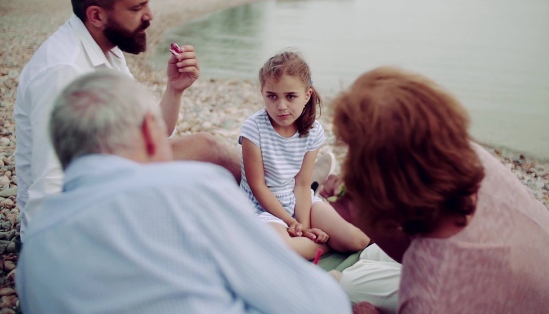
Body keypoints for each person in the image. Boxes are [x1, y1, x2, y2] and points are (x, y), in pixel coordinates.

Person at [16, 70, 352, 314]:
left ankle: (311, 181)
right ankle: (313, 183)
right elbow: (318, 304)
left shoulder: (33, 253)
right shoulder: (188, 191)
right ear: (151, 133)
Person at [14, 0, 240, 238]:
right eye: (136, 8)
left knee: (208, 155)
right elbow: (49, 187)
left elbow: (149, 135)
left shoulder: (106, 49)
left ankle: (275, 207)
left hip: (112, 177)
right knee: (207, 153)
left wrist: (174, 89)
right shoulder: (62, 71)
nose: (150, 15)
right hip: (82, 213)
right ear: (97, 15)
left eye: (148, 3)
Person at [323, 67, 549, 313]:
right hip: (520, 274)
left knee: (348, 284)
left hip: (493, 293)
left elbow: (430, 266)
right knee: (370, 256)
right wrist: (361, 218)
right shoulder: (466, 156)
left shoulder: (429, 300)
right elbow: (424, 247)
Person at [239, 50, 369, 260]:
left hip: (297, 198)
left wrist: (304, 226)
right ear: (262, 92)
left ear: (307, 95)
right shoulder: (254, 129)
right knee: (281, 248)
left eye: (291, 96)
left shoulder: (313, 131)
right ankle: (327, 246)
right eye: (272, 96)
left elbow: (301, 184)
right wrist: (292, 224)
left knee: (357, 241)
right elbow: (258, 186)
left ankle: (318, 243)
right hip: (262, 207)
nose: (281, 106)